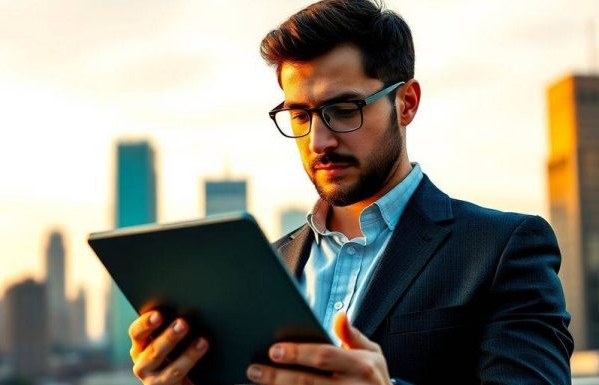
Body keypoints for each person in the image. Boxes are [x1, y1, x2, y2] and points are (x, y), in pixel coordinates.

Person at [127, 0, 574, 384]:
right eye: (300, 116)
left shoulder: (502, 250)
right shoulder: (263, 270)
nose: (319, 141)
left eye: (343, 110)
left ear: (407, 103)